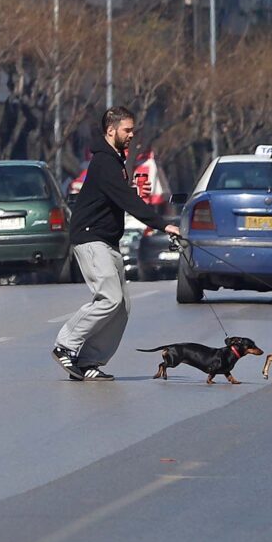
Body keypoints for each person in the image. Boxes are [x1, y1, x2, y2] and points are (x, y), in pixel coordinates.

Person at [54, 108, 177, 379]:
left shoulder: (114, 160)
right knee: (109, 298)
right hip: (90, 237)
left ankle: (88, 361)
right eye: (127, 130)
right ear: (111, 130)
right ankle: (65, 345)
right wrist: (163, 224)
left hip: (107, 240)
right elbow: (126, 200)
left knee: (121, 307)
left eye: (132, 130)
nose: (132, 135)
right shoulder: (104, 162)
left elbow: (119, 196)